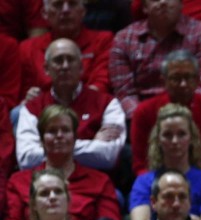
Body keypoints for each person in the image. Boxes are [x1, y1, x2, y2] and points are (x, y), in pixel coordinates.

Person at [6, 104, 121, 220]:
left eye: (65, 130)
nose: (59, 135)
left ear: (75, 137)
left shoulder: (100, 181)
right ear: (41, 139)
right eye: (52, 131)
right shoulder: (18, 181)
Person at [16, 38, 125, 172]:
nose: (65, 66)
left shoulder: (107, 103)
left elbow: (109, 156)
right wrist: (92, 144)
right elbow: (26, 159)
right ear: (46, 68)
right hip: (45, 183)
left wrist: (47, 147)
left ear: (80, 67)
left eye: (70, 60)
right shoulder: (31, 108)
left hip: (93, 183)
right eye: (58, 60)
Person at [109, 0, 201, 119]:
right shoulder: (124, 38)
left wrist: (176, 119)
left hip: (190, 115)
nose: (163, 2)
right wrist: (143, 118)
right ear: (144, 7)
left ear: (181, 3)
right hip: (140, 116)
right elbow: (125, 93)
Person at [129, 49, 201, 177]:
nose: (183, 84)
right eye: (176, 78)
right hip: (157, 185)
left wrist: (197, 184)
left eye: (188, 77)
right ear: (164, 80)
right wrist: (160, 186)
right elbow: (140, 165)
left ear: (198, 79)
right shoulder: (144, 111)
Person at [128, 103, 201, 220]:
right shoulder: (144, 182)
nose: (175, 141)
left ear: (191, 138)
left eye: (181, 134)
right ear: (158, 139)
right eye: (167, 135)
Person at [18, 0, 113, 97]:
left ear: (83, 11)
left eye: (72, 4)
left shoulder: (103, 41)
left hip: (90, 104)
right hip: (44, 108)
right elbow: (26, 91)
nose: (65, 10)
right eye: (58, 5)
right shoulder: (28, 48)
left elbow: (101, 84)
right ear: (44, 13)